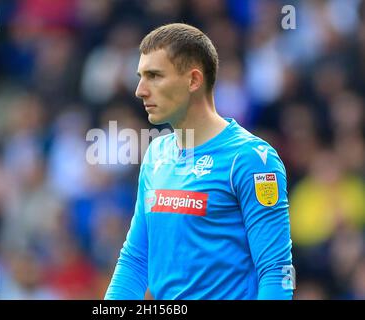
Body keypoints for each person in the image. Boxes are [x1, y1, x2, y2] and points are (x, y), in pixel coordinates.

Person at [105, 23, 294, 300]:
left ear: (194, 80)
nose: (140, 90)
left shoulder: (250, 160)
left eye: (154, 76)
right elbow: (135, 260)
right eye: (140, 76)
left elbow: (276, 271)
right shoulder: (156, 154)